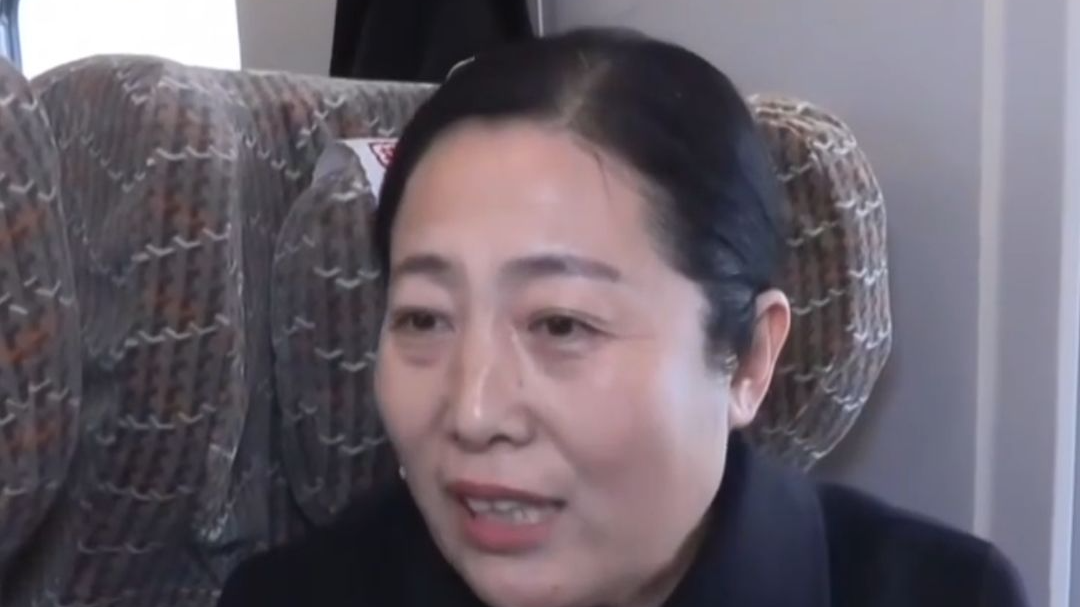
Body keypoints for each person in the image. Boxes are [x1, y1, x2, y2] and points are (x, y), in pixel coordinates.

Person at [218, 28, 1028, 607]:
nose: (473, 411)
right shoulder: (291, 596)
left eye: (561, 324)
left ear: (748, 358)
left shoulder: (947, 593)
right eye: (425, 319)